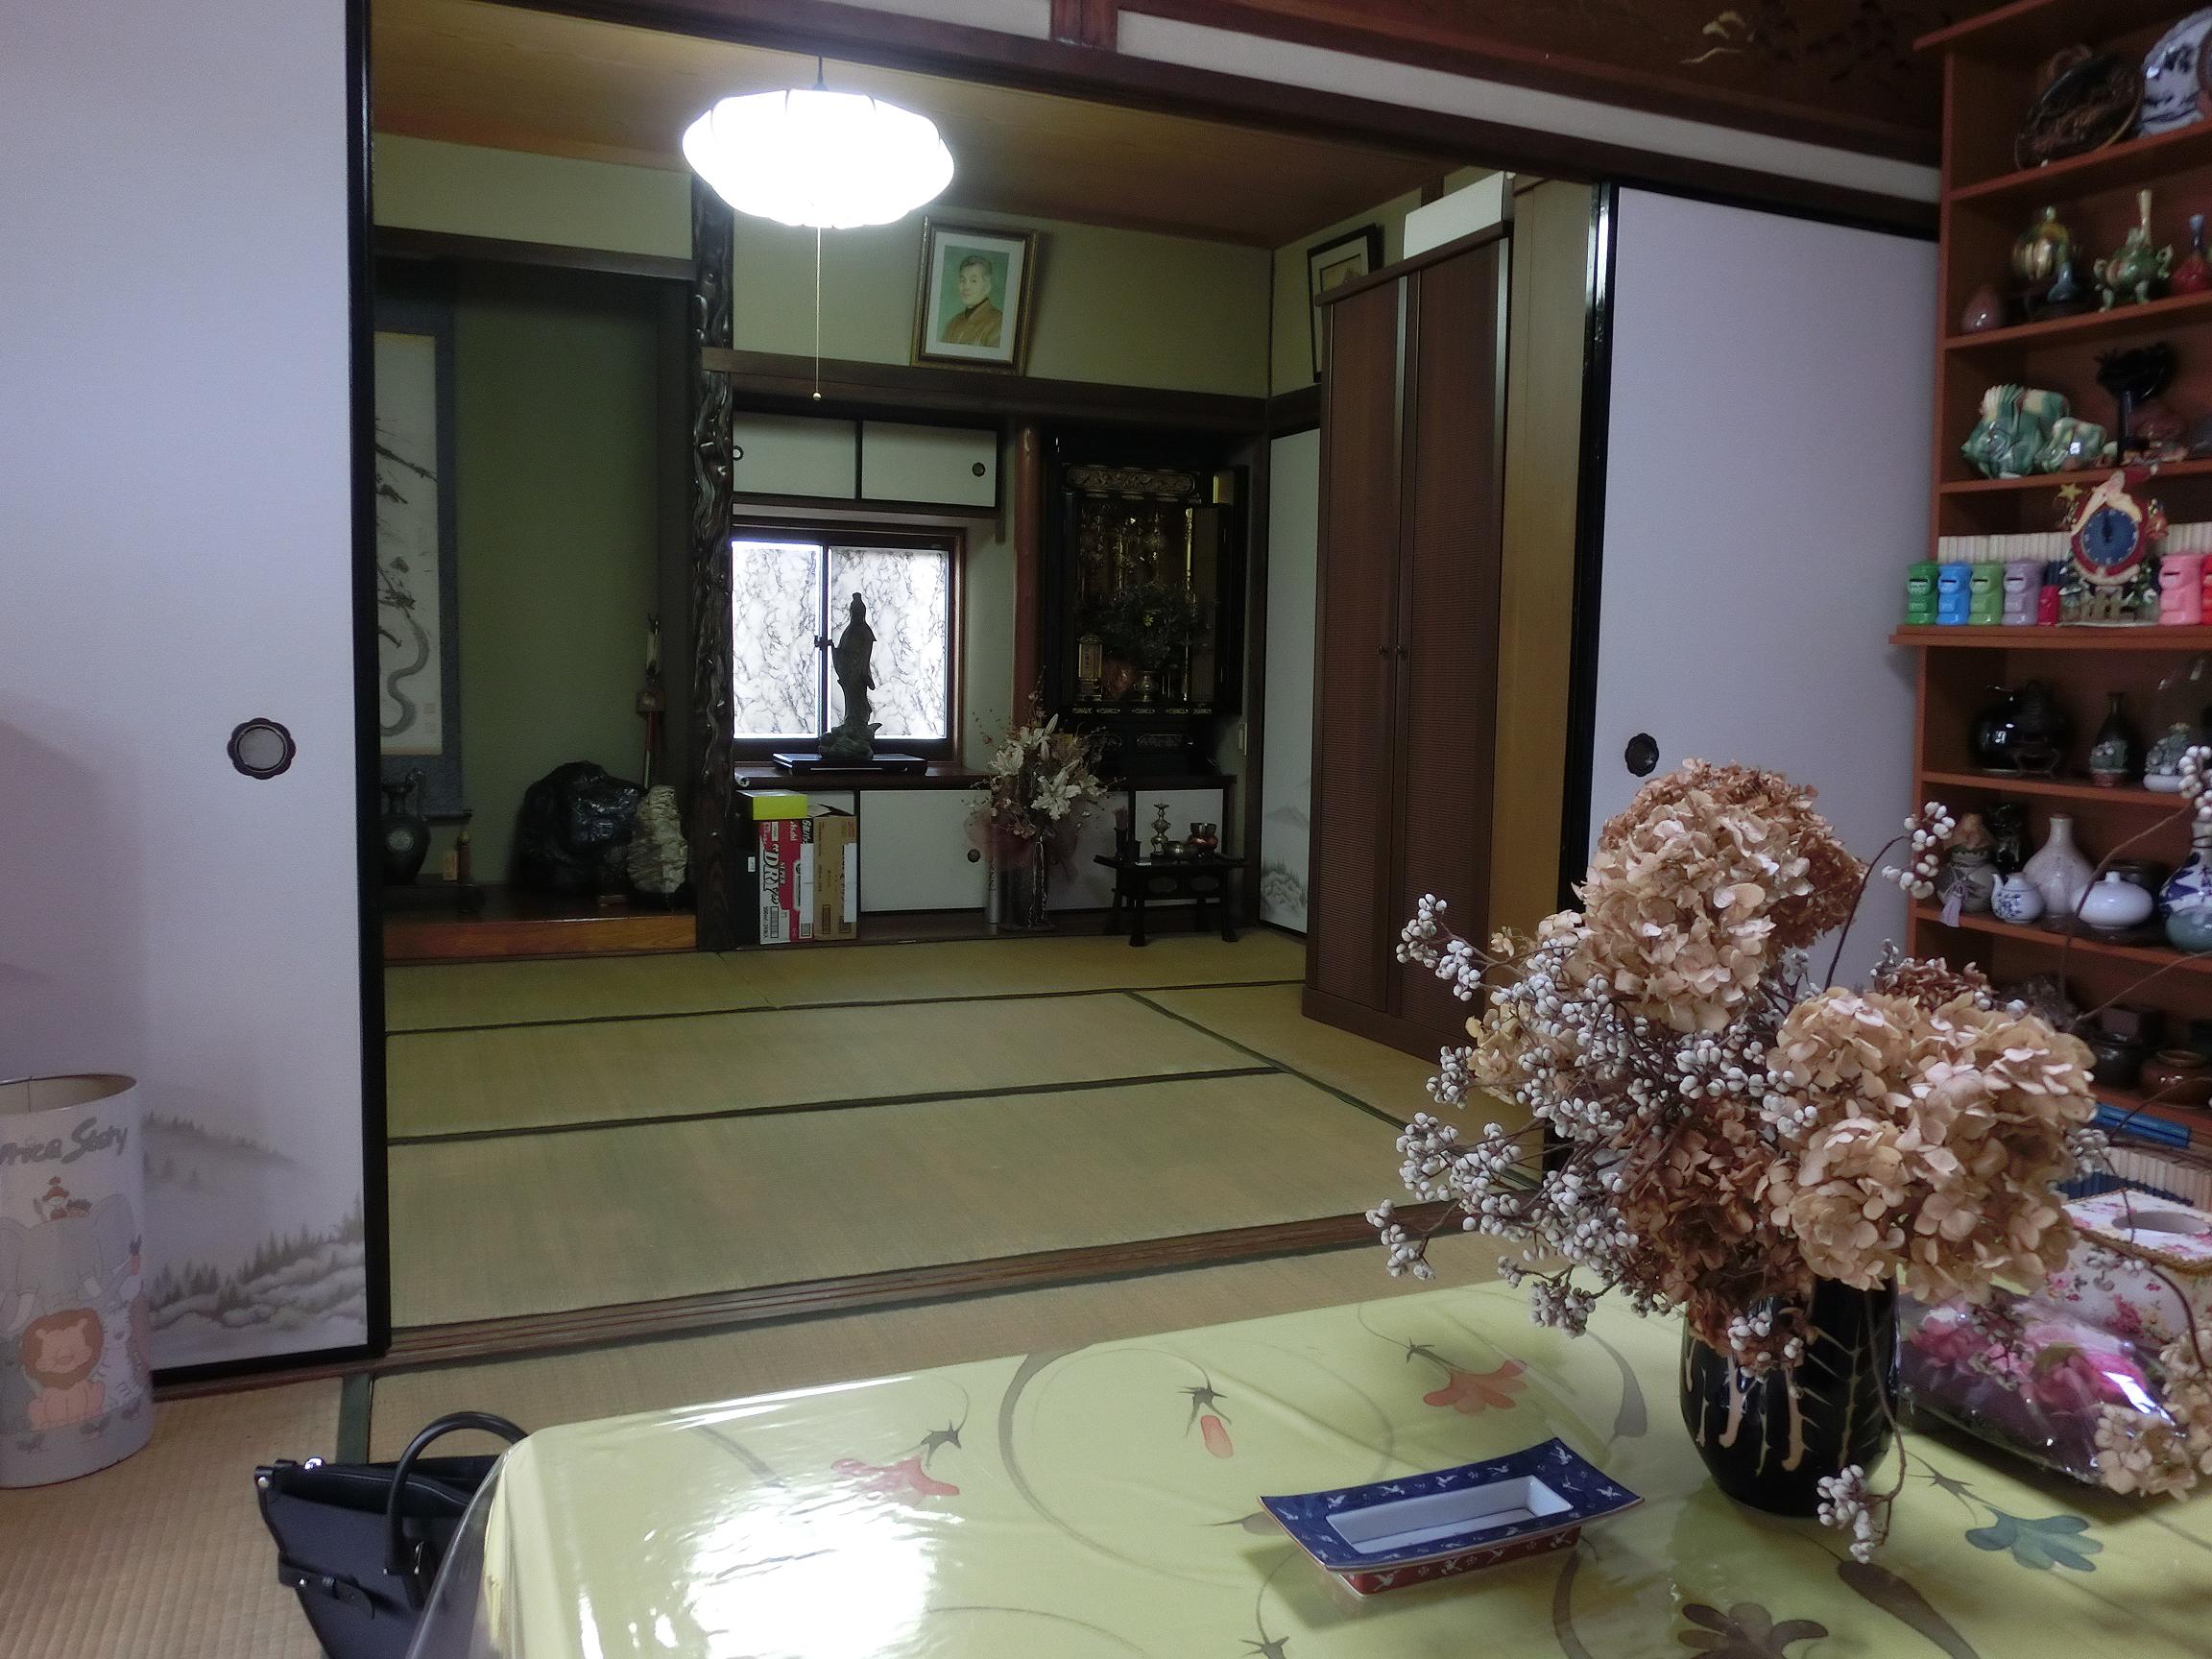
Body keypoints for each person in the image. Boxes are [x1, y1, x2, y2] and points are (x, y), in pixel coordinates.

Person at [939, 253, 1003, 348]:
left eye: (973, 281)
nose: (966, 287)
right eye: (963, 280)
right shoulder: (953, 323)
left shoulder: (999, 323)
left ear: (987, 287)